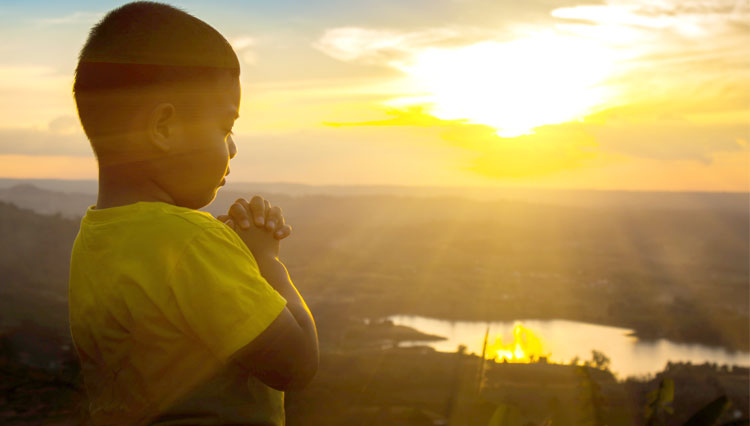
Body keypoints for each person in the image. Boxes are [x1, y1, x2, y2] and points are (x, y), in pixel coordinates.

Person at [67, 2, 319, 424]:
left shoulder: (94, 238)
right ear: (164, 128)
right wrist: (266, 260)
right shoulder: (193, 241)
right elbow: (296, 365)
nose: (233, 147)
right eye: (226, 127)